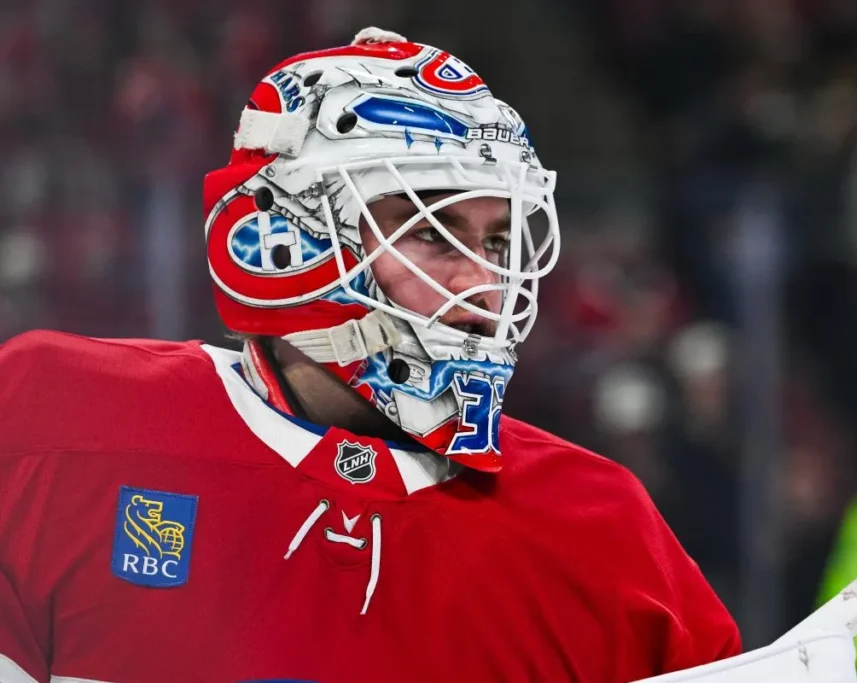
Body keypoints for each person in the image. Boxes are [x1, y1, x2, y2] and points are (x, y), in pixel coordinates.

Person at [0, 28, 740, 683]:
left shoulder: (601, 533)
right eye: (431, 232)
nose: (484, 282)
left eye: (495, 240)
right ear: (281, 240)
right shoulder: (54, 429)